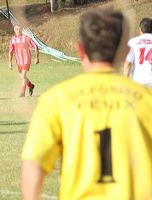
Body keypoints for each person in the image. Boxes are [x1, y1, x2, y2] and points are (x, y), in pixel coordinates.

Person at [21, 9, 152, 200]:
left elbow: (34, 165)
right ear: (124, 51)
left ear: (80, 50)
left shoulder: (56, 100)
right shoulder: (146, 101)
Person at [9, 25, 39, 97]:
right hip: (19, 61)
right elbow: (10, 51)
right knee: (22, 77)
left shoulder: (26, 38)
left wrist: (36, 58)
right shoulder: (12, 40)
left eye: (19, 29)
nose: (18, 31)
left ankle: (22, 93)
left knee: (23, 76)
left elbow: (35, 46)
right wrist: (9, 62)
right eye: (16, 29)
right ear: (14, 30)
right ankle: (31, 86)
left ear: (21, 30)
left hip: (26, 60)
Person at [124, 17, 152, 88]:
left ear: (140, 29)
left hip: (138, 81)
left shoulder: (132, 42)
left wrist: (125, 82)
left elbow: (127, 64)